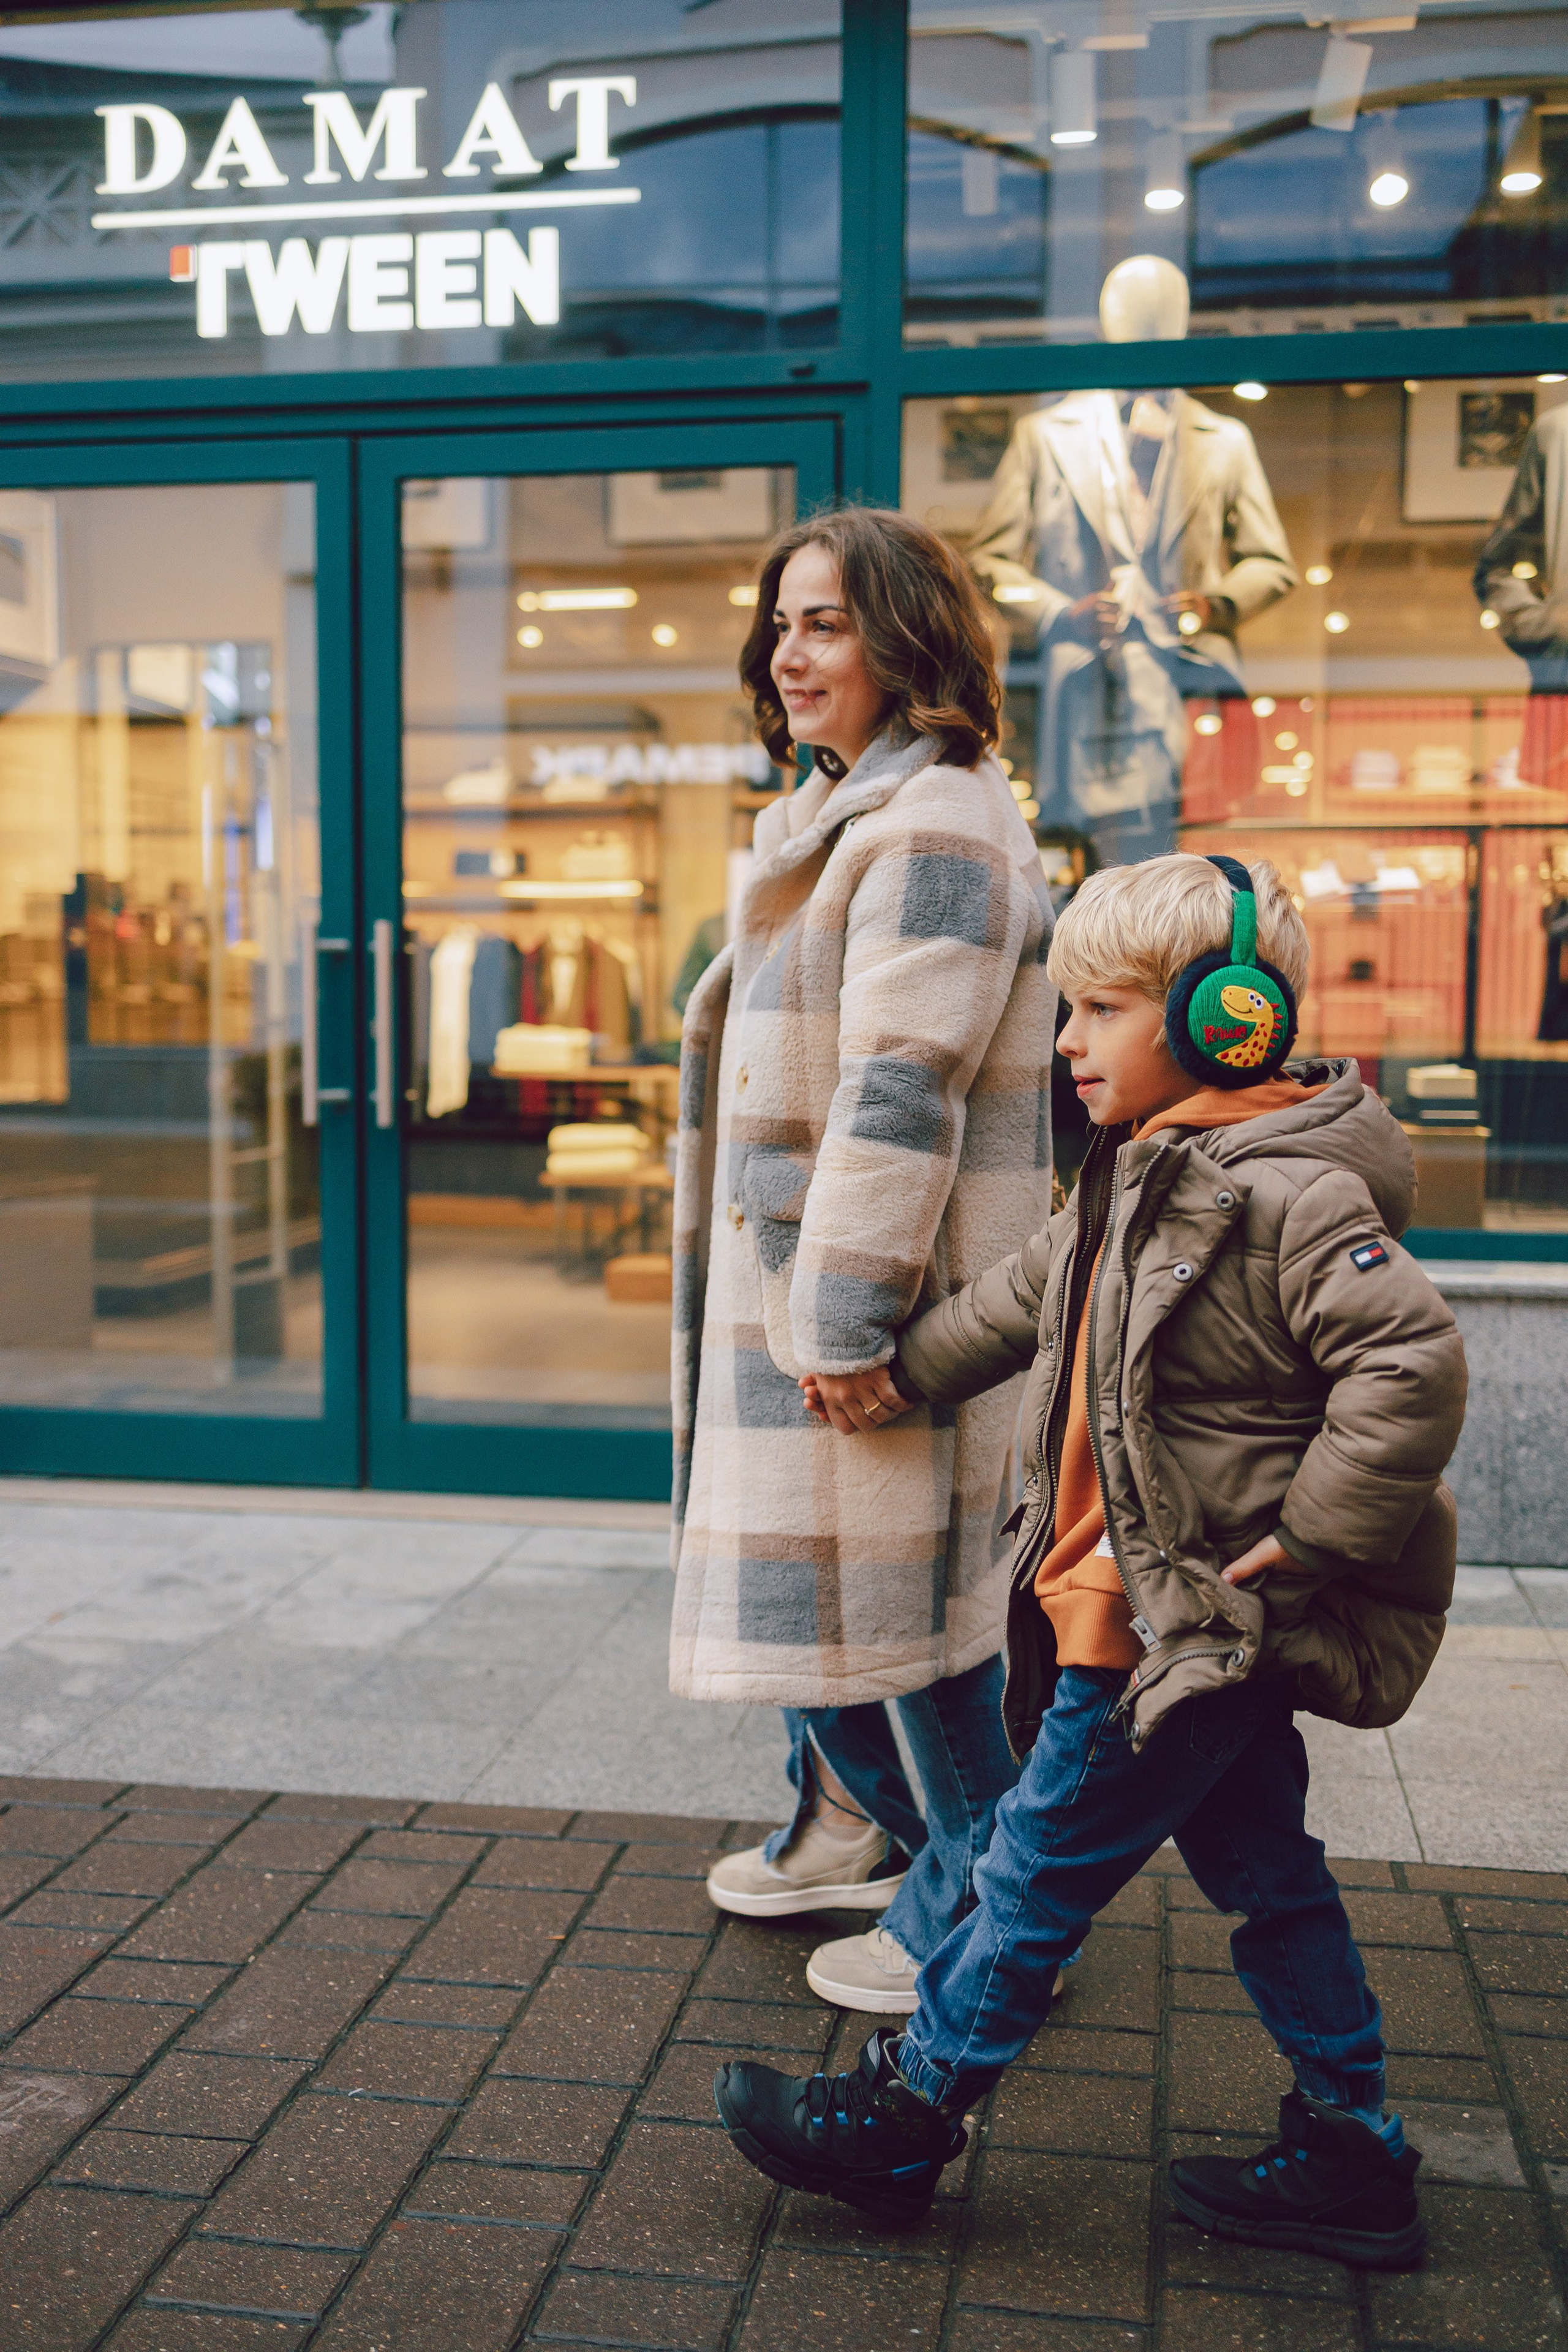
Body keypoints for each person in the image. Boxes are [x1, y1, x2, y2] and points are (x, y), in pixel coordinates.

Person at [714, 851, 1467, 2272]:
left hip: (1169, 1623)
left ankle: (905, 2117)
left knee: (1031, 1872)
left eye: (1100, 1010)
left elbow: (1409, 1369)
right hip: (1170, 1617)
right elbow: (1022, 1294)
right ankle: (1353, 2151)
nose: (1066, 1041)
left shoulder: (1290, 1196)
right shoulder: (1141, 1172)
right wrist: (889, 1371)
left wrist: (1311, 1537)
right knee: (1267, 1874)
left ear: (1223, 1020)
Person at [669, 505, 1056, 2013]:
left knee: (917, 1624)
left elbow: (901, 1092)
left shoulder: (936, 823)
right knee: (828, 1604)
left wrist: (841, 1329)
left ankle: (981, 1915)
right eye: (781, 622)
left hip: (871, 1299)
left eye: (824, 621)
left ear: (906, 640)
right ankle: (851, 1827)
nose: (789, 651)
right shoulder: (836, 812)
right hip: (806, 1283)